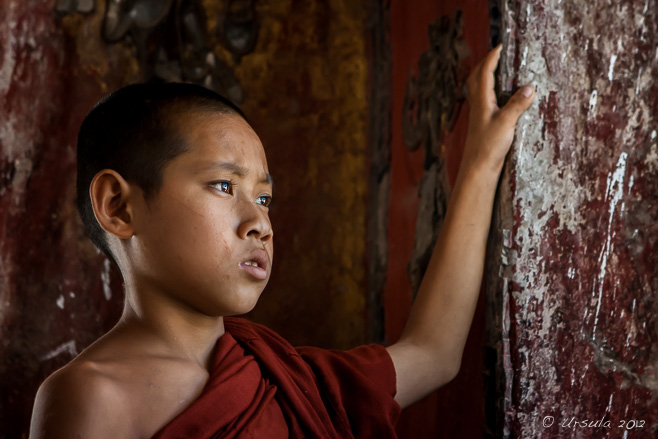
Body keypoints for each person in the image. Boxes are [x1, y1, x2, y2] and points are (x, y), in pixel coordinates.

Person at [29, 45, 534, 438]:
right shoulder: (91, 396)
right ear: (119, 206)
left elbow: (435, 353)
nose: (260, 224)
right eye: (224, 187)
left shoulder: (288, 380)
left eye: (265, 199)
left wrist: (483, 160)